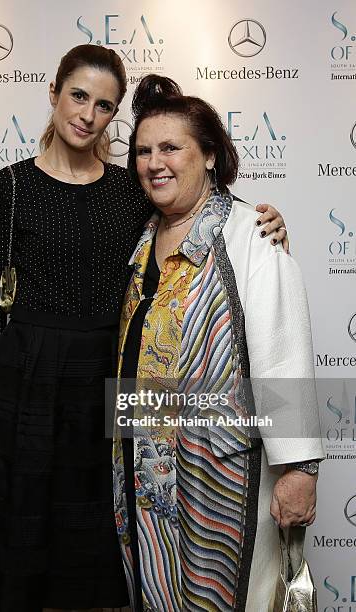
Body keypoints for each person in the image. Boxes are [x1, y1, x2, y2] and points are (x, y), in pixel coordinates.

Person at [0, 44, 288, 612]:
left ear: (114, 117)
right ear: (53, 94)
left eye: (105, 105)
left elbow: (199, 217)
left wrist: (268, 224)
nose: (87, 114)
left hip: (106, 381)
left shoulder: (131, 188)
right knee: (19, 547)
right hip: (26, 382)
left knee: (108, 544)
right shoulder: (8, 187)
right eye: (78, 96)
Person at [112, 75, 325, 612]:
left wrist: (298, 468)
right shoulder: (142, 239)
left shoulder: (251, 234)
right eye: (142, 150)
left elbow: (284, 352)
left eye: (170, 147)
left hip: (223, 473)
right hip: (147, 475)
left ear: (209, 155)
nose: (153, 162)